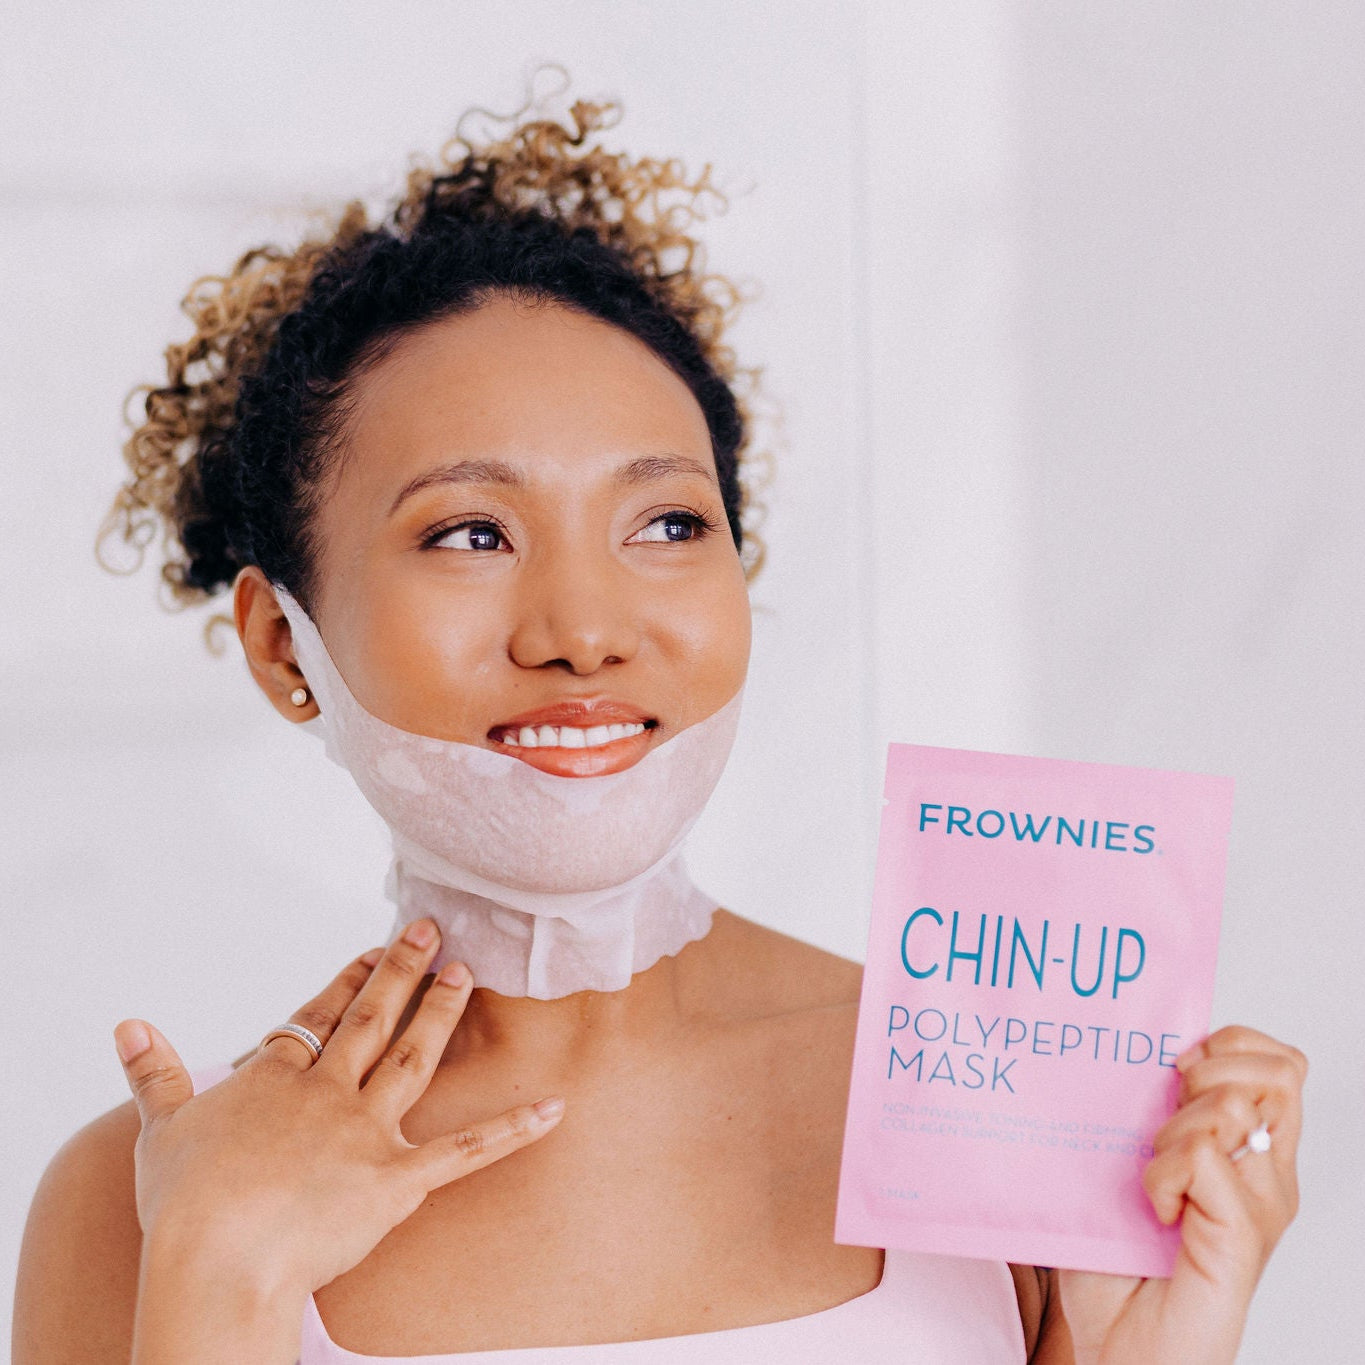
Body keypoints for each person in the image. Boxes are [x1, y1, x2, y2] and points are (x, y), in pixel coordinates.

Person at [13, 90, 1305, 1364]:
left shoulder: (988, 1099)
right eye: (470, 532)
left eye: (666, 525)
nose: (584, 626)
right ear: (280, 640)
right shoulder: (152, 1202)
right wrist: (219, 1289)